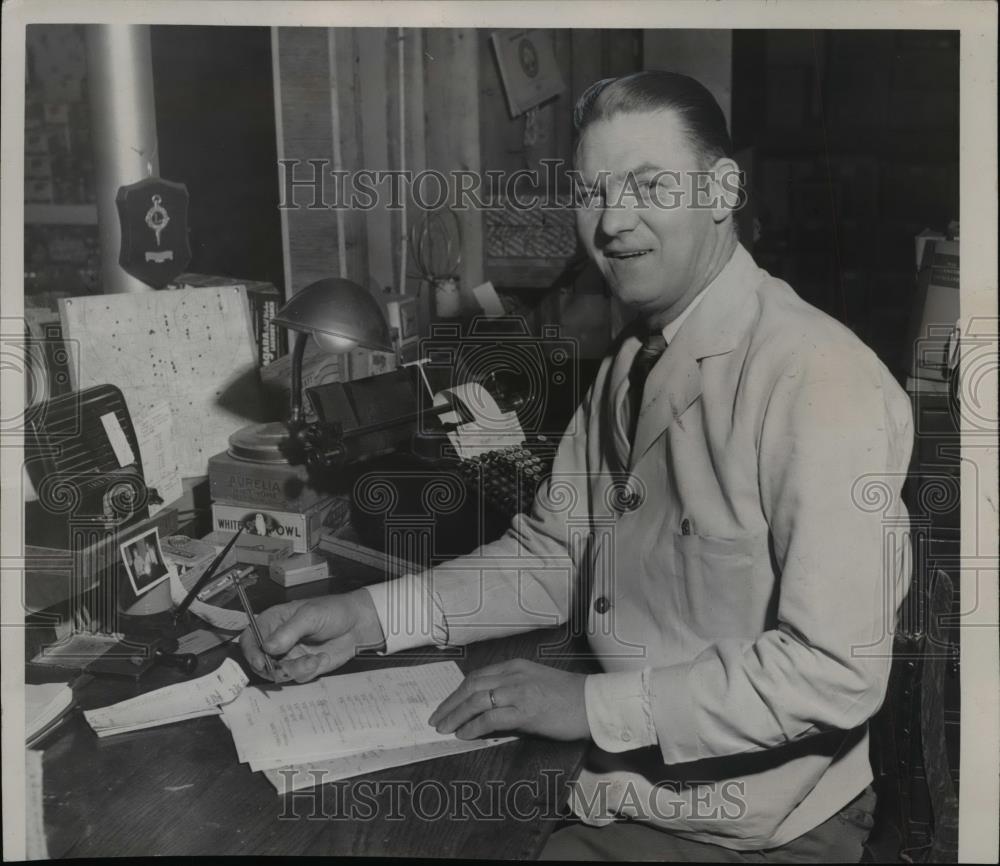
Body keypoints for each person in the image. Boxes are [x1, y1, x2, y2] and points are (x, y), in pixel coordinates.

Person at [241, 71, 913, 861]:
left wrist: (592, 706)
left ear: (723, 189)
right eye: (592, 192)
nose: (613, 222)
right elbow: (558, 552)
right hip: (622, 785)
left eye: (649, 185)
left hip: (752, 826)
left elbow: (834, 671)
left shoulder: (820, 378)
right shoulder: (633, 358)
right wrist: (368, 617)